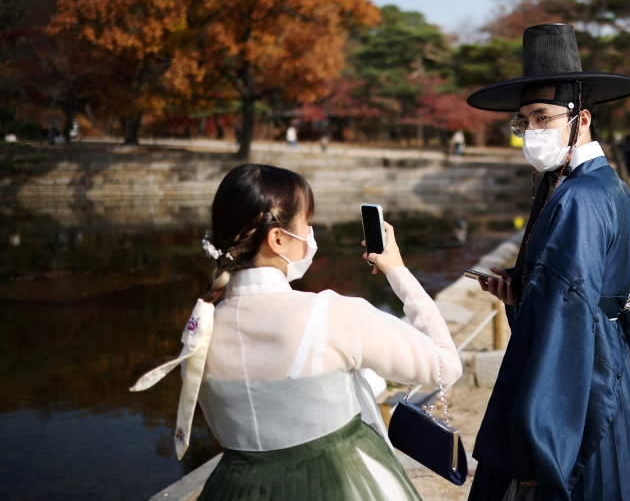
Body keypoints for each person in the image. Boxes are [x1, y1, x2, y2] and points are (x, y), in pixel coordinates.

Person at [130, 164, 461, 500]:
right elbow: (445, 367)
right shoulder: (330, 314)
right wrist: (398, 272)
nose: (310, 232)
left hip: (235, 489)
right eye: (306, 223)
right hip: (341, 483)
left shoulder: (199, 332)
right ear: (277, 239)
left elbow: (275, 405)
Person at [466, 23, 630, 501]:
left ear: (581, 118)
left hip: (580, 380)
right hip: (609, 362)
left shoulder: (578, 198)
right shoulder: (604, 183)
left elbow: (566, 318)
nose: (531, 131)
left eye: (543, 117)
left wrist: (540, 444)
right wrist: (521, 290)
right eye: (523, 120)